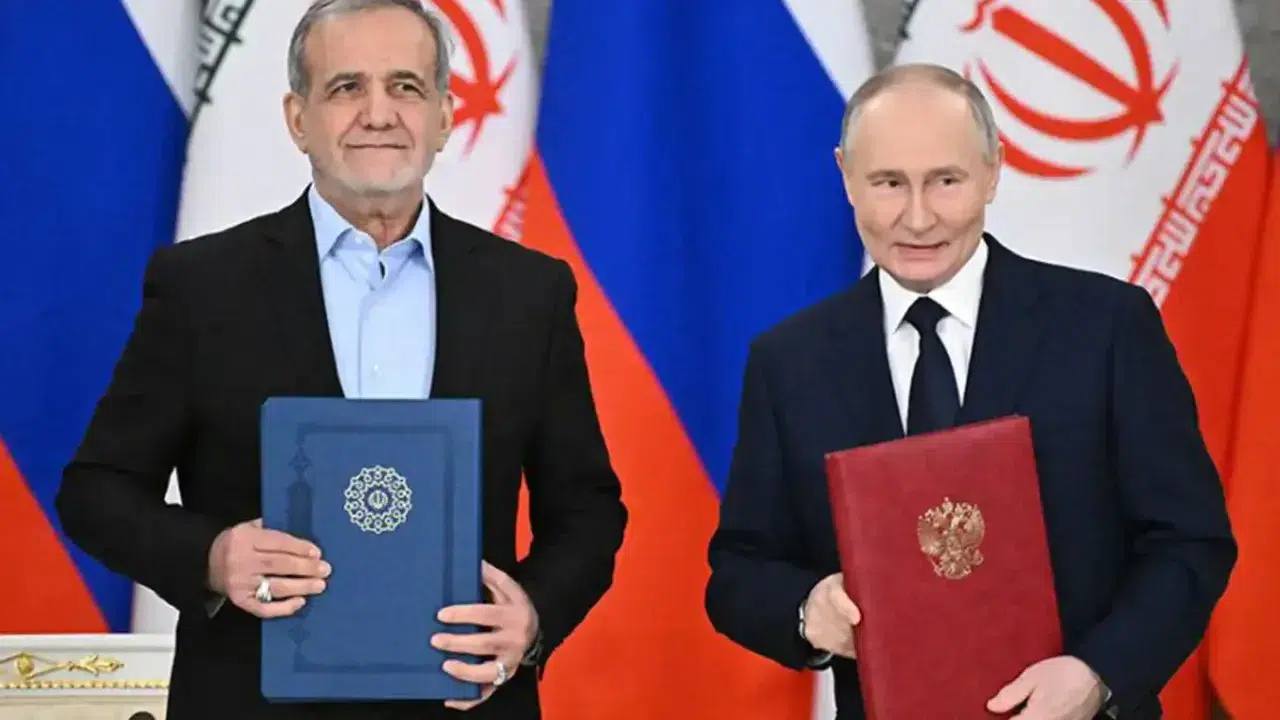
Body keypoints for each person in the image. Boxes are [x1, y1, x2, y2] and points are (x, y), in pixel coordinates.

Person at [55, 0, 627, 717]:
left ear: (445, 116)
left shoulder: (529, 294)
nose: (378, 114)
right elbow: (96, 492)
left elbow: (587, 510)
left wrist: (533, 615)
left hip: (465, 700)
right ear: (299, 119)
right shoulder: (202, 287)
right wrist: (211, 556)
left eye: (406, 87)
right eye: (346, 87)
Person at [704, 63, 1236, 720]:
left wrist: (1098, 674)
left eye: (946, 181)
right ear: (845, 176)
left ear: (993, 171)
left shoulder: (1106, 328)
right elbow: (739, 571)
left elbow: (1189, 542)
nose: (917, 217)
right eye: (888, 183)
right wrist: (807, 611)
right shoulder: (790, 361)